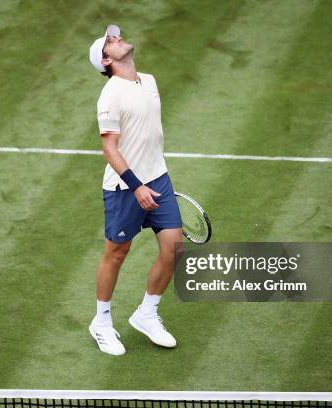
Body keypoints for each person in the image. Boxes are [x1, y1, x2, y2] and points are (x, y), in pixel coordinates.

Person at [88, 24, 183, 356]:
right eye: (110, 42)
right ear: (105, 61)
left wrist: (150, 178)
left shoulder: (150, 81)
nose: (118, 39)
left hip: (158, 178)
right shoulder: (110, 94)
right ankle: (101, 323)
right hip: (125, 187)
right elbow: (110, 150)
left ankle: (147, 313)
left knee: (174, 249)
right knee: (117, 253)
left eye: (116, 36)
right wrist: (136, 185)